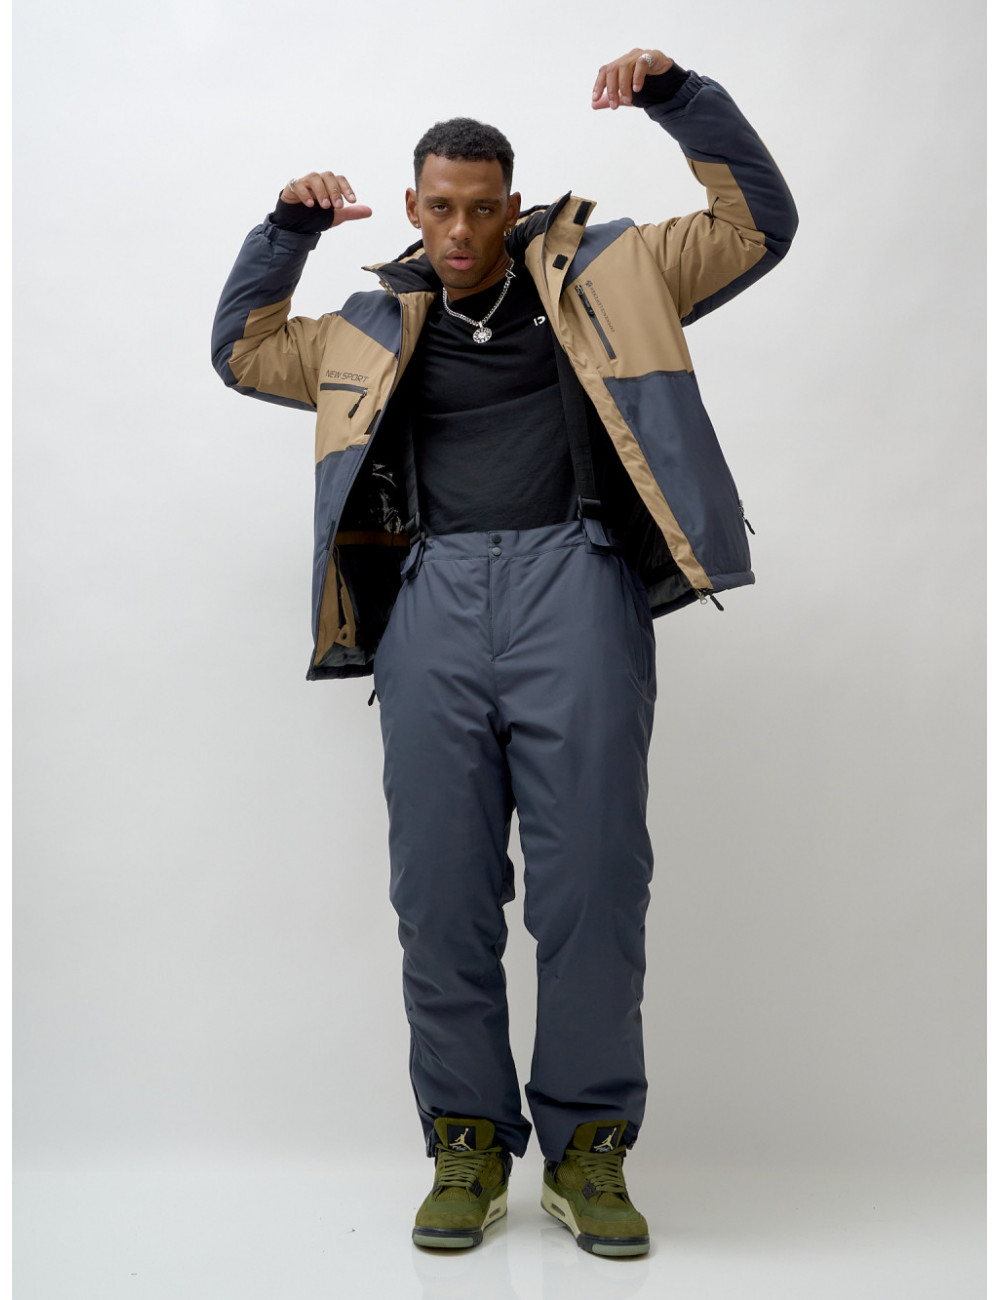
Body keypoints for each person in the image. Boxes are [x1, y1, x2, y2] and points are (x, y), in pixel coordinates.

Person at [212, 46, 797, 1256]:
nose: (462, 230)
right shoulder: (368, 325)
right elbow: (242, 349)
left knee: (593, 881)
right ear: (411, 205)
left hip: (574, 583)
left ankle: (589, 1150)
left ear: (512, 201)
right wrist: (287, 228)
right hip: (427, 599)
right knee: (439, 889)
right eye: (440, 208)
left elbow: (757, 224)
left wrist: (676, 97)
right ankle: (467, 1141)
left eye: (482, 207)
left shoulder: (616, 271)